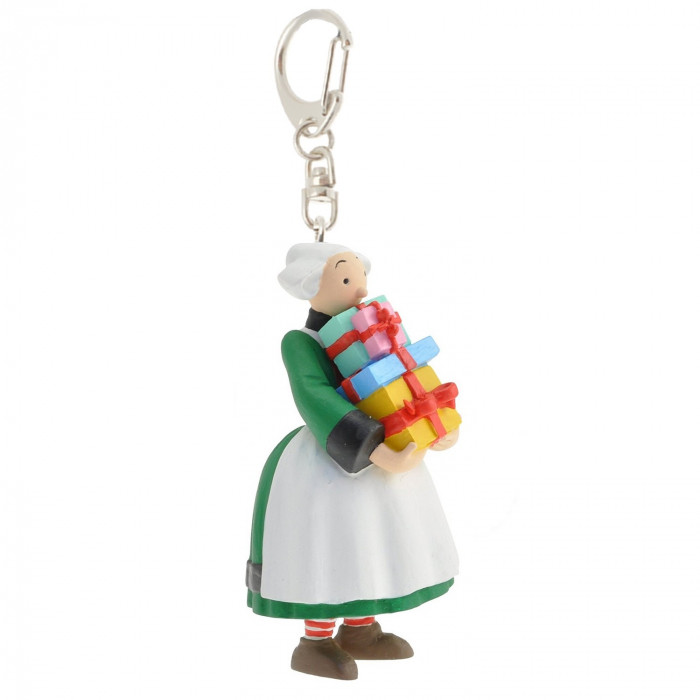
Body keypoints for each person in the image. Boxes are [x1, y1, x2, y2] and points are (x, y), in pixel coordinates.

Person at [246, 242, 459, 680]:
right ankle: (316, 641)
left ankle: (360, 630)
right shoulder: (300, 342)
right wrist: (374, 449)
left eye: (361, 279)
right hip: (332, 455)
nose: (360, 290)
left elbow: (407, 377)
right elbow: (314, 395)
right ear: (311, 286)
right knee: (327, 545)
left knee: (370, 543)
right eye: (346, 279)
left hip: (391, 450)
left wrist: (435, 420)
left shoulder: (379, 330)